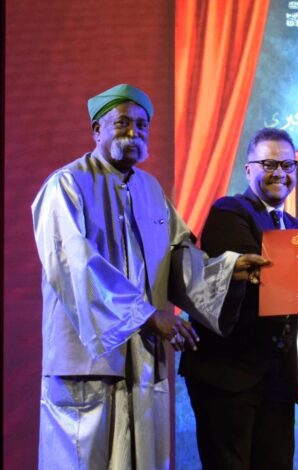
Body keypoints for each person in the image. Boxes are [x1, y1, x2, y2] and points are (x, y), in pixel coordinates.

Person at [31, 83, 266, 469]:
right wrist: (146, 315)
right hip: (88, 366)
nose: (134, 132)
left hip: (141, 363)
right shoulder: (66, 186)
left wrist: (227, 270)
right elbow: (72, 265)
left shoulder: (150, 190)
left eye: (142, 125)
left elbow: (176, 259)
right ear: (96, 130)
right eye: (122, 123)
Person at [178, 128, 298, 469]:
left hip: (277, 379)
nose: (279, 172)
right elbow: (263, 276)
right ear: (248, 169)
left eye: (287, 165)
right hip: (227, 374)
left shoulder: (296, 228)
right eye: (269, 164)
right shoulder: (229, 211)